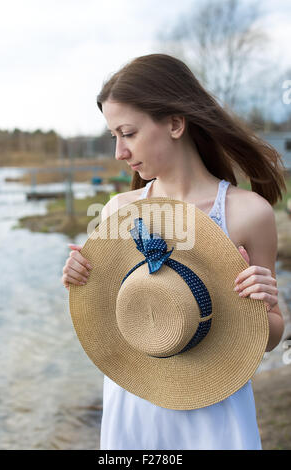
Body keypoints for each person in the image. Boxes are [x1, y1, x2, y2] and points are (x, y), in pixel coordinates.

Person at [61, 54, 286, 450]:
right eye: (114, 136)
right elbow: (112, 318)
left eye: (127, 133)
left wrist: (263, 300)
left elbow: (270, 337)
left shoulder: (248, 213)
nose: (119, 152)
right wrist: (81, 280)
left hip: (216, 408)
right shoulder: (119, 210)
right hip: (133, 399)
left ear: (176, 124)